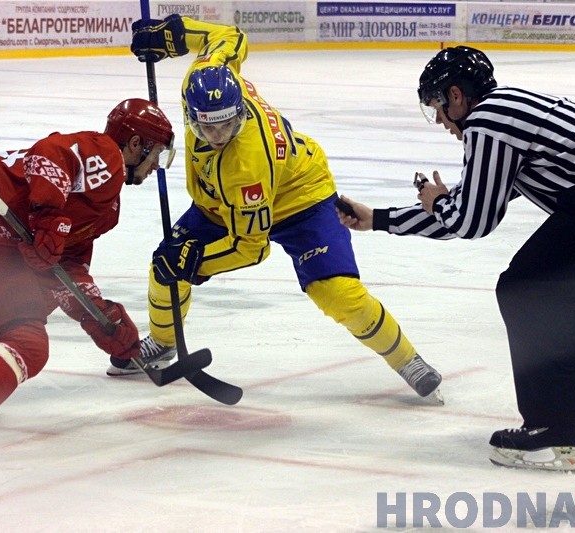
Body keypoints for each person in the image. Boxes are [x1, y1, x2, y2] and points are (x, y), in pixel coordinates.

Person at [337, 46, 575, 472]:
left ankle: (553, 431)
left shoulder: (489, 121)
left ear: (457, 96)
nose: (442, 123)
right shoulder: (511, 113)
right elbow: (469, 209)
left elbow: (468, 221)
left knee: (526, 291)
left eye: (437, 109)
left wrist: (439, 201)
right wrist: (379, 220)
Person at [116, 15, 443, 403]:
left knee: (337, 293)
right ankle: (164, 341)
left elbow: (251, 247)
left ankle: (407, 359)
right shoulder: (208, 73)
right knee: (164, 266)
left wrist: (196, 262)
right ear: (190, 113)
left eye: (227, 125)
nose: (218, 137)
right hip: (221, 202)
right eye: (209, 128)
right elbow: (230, 36)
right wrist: (173, 35)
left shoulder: (247, 163)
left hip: (298, 198)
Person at [0, 99, 175, 469]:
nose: (157, 164)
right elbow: (50, 155)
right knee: (28, 340)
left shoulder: (107, 208)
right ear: (136, 144)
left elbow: (66, 267)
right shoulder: (106, 155)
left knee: (33, 301)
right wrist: (48, 218)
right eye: (155, 152)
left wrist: (102, 318)